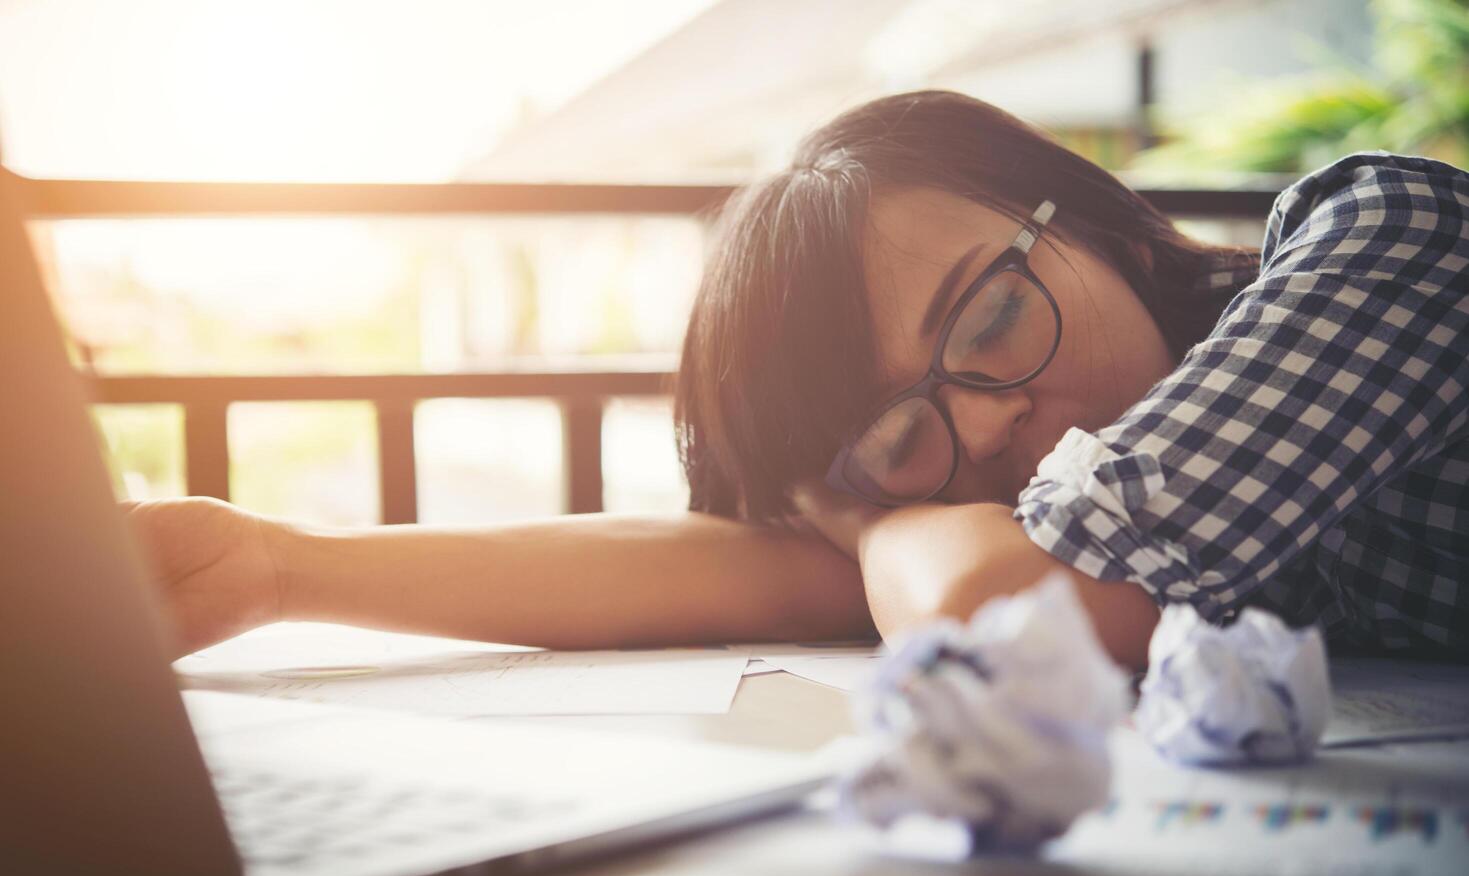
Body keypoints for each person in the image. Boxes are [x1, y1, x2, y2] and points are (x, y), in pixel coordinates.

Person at [125, 91, 1469, 668]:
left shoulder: (1382, 239)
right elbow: (737, 561)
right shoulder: (1063, 508)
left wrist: (875, 499)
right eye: (900, 431)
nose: (992, 420)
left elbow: (1009, 611)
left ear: (1093, 224)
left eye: (992, 316)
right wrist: (282, 570)